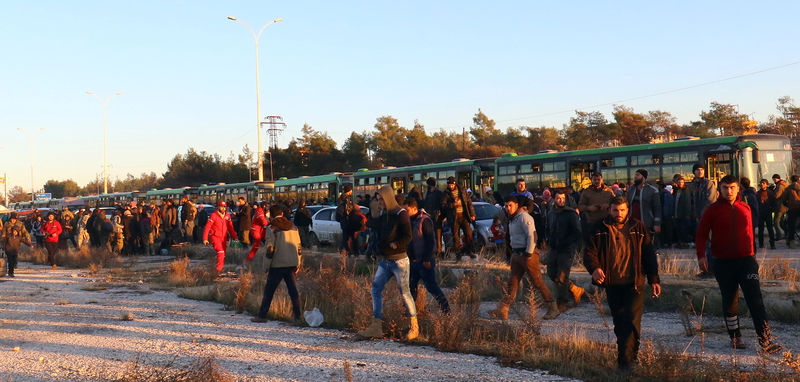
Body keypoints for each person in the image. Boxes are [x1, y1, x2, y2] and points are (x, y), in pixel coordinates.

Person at [696, 175, 782, 353]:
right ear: (720, 189)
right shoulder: (712, 210)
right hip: (723, 263)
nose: (729, 191)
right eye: (725, 187)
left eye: (732, 187)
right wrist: (701, 256)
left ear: (738, 189)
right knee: (730, 301)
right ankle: (735, 337)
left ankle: (765, 341)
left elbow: (750, 233)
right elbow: (701, 235)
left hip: (746, 261)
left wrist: (753, 256)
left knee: (756, 300)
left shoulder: (745, 208)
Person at [584, 196, 661, 370]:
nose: (619, 214)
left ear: (628, 210)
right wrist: (595, 268)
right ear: (609, 210)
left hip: (634, 283)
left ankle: (627, 363)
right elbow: (589, 252)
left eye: (622, 210)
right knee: (620, 323)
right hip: (612, 283)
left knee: (633, 321)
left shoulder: (638, 227)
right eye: (615, 210)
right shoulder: (599, 228)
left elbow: (649, 254)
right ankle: (625, 360)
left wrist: (654, 279)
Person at [357, 185, 418, 341]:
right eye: (378, 200)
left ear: (388, 198)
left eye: (381, 199)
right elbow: (376, 228)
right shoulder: (384, 213)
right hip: (386, 261)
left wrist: (396, 244)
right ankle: (376, 327)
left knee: (405, 293)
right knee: (375, 289)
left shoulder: (401, 214)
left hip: (400, 260)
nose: (380, 203)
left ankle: (414, 327)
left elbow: (408, 236)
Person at [489, 196, 560, 321]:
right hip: (516, 255)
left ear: (517, 205)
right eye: (506, 206)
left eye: (510, 205)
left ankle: (553, 307)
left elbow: (532, 236)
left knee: (537, 282)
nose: (507, 208)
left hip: (527, 255)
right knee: (513, 282)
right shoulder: (512, 219)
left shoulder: (524, 217)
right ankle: (503, 309)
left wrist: (528, 253)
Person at [252, 205, 302, 322]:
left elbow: (270, 249)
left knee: (269, 291)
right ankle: (298, 317)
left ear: (271, 216)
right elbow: (299, 247)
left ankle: (262, 316)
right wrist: (298, 263)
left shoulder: (272, 228)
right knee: (293, 291)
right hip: (292, 264)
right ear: (282, 214)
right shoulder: (294, 227)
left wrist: (266, 266)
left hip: (277, 265)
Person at [405, 198, 450, 314]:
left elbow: (430, 241)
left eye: (407, 209)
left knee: (431, 286)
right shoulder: (410, 220)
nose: (405, 212)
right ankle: (410, 311)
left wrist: (426, 259)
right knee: (411, 287)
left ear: (414, 208)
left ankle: (446, 309)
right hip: (413, 260)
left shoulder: (424, 221)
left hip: (424, 261)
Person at [546, 190, 584, 312]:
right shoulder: (551, 213)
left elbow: (577, 232)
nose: (561, 200)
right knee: (552, 273)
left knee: (562, 276)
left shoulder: (571, 213)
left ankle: (562, 302)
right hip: (554, 247)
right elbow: (548, 228)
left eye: (563, 198)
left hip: (567, 248)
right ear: (554, 199)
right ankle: (575, 289)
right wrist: (548, 241)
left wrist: (568, 243)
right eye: (558, 198)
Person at [441, 176, 476, 259]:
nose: (450, 186)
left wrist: (472, 214)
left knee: (468, 234)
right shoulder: (446, 193)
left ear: (454, 184)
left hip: (464, 216)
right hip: (454, 218)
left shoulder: (462, 190)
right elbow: (443, 205)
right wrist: (454, 205)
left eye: (452, 185)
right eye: (449, 185)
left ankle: (469, 251)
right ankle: (458, 254)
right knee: (455, 237)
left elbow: (469, 202)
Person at [203, 200, 238, 274]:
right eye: (221, 207)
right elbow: (207, 227)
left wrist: (235, 236)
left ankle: (217, 269)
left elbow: (230, 227)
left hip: (224, 238)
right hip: (215, 237)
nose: (223, 208)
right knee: (221, 252)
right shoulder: (213, 215)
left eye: (224, 207)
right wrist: (205, 238)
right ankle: (218, 270)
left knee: (222, 255)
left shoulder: (227, 216)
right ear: (218, 207)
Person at [626, 169, 662, 237]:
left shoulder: (653, 190)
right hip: (632, 224)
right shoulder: (630, 190)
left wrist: (657, 224)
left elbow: (657, 208)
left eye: (637, 175)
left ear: (643, 177)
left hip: (647, 224)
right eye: (635, 175)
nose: (635, 177)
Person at [423, 177, 444, 256]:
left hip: (436, 217)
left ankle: (438, 251)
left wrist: (439, 213)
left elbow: (441, 205)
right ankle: (433, 250)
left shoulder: (438, 193)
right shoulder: (429, 193)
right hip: (429, 216)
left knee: (438, 234)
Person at [672, 175, 693, 248]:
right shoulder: (677, 190)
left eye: (682, 182)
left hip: (683, 214)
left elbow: (687, 202)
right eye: (679, 182)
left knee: (683, 229)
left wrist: (687, 214)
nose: (680, 183)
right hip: (677, 214)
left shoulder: (686, 190)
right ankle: (680, 242)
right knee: (678, 229)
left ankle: (684, 243)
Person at [740, 177, 759, 252]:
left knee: (750, 237)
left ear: (741, 185)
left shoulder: (747, 195)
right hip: (752, 218)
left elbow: (747, 207)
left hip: (749, 219)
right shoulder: (752, 193)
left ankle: (752, 251)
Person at [756, 179, 776, 250]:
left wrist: (771, 210)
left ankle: (772, 244)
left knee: (770, 229)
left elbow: (774, 203)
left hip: (768, 213)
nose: (762, 184)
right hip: (760, 213)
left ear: (767, 185)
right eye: (761, 183)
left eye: (764, 183)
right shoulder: (757, 193)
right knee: (760, 229)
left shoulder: (770, 193)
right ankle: (761, 244)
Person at [782, 175, 800, 248]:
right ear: (798, 179)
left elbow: (783, 199)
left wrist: (788, 205)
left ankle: (792, 243)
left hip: (792, 209)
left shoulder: (788, 188)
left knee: (791, 226)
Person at [772, 174, 789, 241]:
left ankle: (779, 235)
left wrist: (772, 191)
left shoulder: (780, 186)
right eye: (773, 179)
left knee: (776, 222)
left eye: (775, 179)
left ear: (778, 179)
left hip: (780, 206)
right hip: (785, 206)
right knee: (781, 222)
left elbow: (776, 195)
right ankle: (787, 233)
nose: (774, 180)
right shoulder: (786, 184)